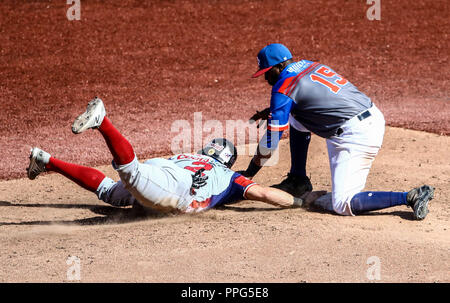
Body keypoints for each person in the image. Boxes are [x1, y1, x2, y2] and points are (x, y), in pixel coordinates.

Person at [239, 43, 435, 220]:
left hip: (355, 135)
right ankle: (297, 178)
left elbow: (272, 141)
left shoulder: (283, 87)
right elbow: (313, 97)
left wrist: (250, 172)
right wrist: (274, 111)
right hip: (371, 115)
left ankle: (409, 196)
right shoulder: (310, 65)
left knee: (342, 203)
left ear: (279, 67)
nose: (265, 78)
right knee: (295, 115)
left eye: (267, 72)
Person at [27, 97, 322, 214]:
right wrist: (298, 201)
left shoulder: (188, 154)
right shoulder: (230, 176)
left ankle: (46, 160)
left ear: (208, 151)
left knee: (110, 192)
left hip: (165, 169)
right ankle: (103, 121)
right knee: (131, 174)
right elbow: (264, 194)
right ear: (228, 160)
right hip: (176, 189)